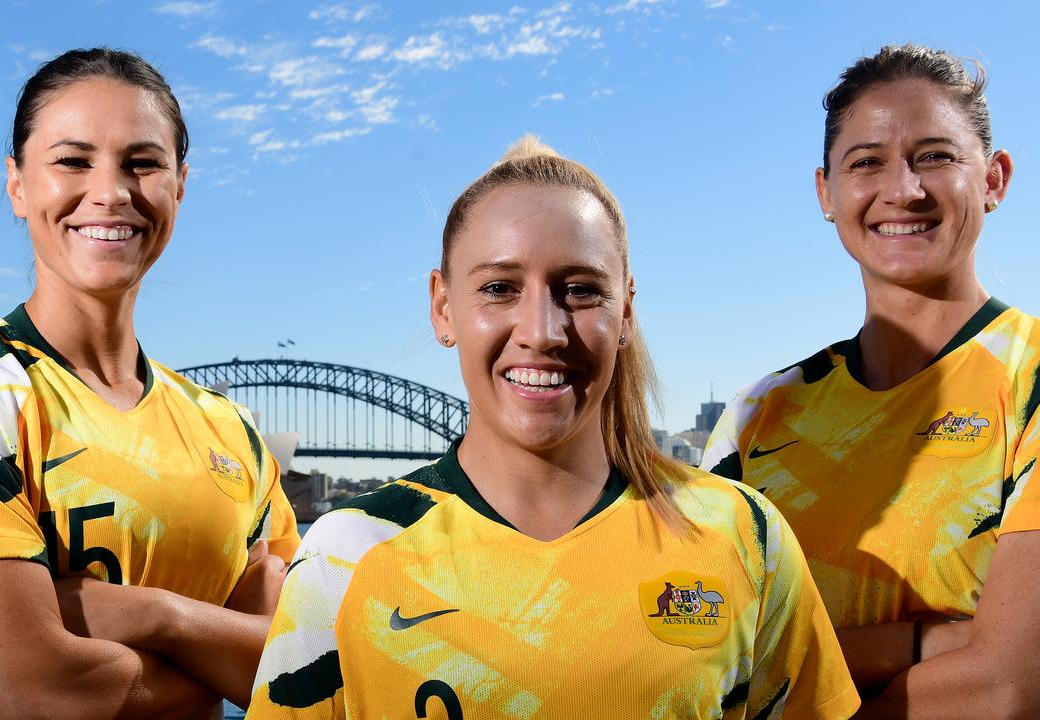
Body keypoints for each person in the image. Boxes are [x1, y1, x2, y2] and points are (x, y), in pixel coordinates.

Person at [245, 136, 859, 720]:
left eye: (580, 290)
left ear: (626, 311)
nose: (541, 330)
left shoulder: (744, 536)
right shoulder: (347, 554)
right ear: (442, 307)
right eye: (498, 288)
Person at [700, 44, 1040, 719]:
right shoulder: (758, 415)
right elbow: (703, 655)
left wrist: (800, 664)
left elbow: (1009, 692)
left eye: (936, 156)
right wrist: (936, 643)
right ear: (827, 192)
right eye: (867, 162)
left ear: (994, 179)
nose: (904, 189)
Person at [0, 48, 298, 719]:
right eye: (73, 161)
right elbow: (30, 695)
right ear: (17, 185)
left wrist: (158, 616)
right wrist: (213, 667)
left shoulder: (232, 432)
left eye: (142, 163)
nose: (110, 191)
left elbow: (302, 673)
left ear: (179, 186)